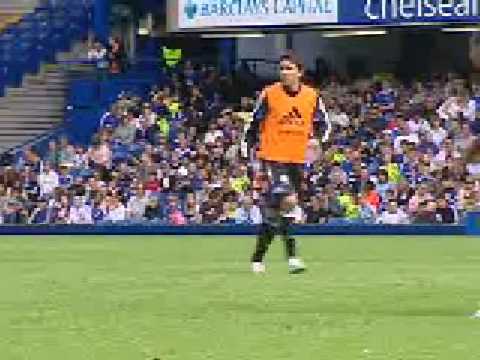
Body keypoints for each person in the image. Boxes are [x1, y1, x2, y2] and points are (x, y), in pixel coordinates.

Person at [246, 51, 331, 274]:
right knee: (289, 200)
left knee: (277, 211)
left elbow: (325, 125)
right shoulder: (270, 94)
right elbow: (254, 123)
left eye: (289, 68)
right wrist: (247, 152)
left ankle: (258, 258)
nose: (284, 72)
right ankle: (292, 257)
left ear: (300, 72)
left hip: (296, 159)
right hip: (272, 157)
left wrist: (317, 140)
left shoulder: (312, 96)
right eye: (282, 68)